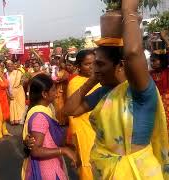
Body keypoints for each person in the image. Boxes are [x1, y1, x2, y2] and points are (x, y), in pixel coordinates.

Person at [63, 1, 169, 178]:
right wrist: (92, 80)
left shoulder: (140, 90)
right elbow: (69, 110)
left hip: (137, 173)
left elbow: (133, 53)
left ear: (121, 65)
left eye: (100, 64)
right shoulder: (104, 93)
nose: (94, 69)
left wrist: (129, 10)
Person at [21, 73, 77, 180]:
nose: (56, 93)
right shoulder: (40, 116)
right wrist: (63, 150)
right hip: (47, 170)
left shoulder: (46, 109)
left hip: (51, 163)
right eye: (53, 90)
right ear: (44, 94)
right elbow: (36, 150)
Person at [66, 49, 100, 180]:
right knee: (87, 163)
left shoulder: (100, 79)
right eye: (87, 64)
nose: (92, 66)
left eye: (94, 62)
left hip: (100, 127)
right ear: (78, 66)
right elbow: (72, 112)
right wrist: (74, 134)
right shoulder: (75, 83)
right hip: (84, 127)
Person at [150, 53, 169, 130]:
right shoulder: (150, 73)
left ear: (162, 61)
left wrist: (166, 42)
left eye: (154, 61)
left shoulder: (167, 72)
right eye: (151, 61)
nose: (152, 63)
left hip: (166, 103)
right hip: (155, 103)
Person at [7, 60, 26, 125]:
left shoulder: (18, 72)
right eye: (9, 66)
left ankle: (20, 119)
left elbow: (24, 78)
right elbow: (5, 85)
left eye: (11, 65)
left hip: (19, 91)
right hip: (11, 92)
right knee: (12, 104)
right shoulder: (5, 74)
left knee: (20, 105)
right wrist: (8, 94)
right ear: (7, 67)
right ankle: (14, 119)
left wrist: (22, 81)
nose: (10, 67)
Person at [53, 59, 69, 124]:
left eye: (62, 63)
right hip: (56, 90)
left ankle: (64, 121)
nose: (60, 64)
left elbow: (65, 78)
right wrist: (55, 80)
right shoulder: (55, 71)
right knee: (56, 105)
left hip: (64, 90)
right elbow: (53, 78)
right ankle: (58, 120)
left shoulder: (66, 72)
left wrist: (59, 80)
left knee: (63, 104)